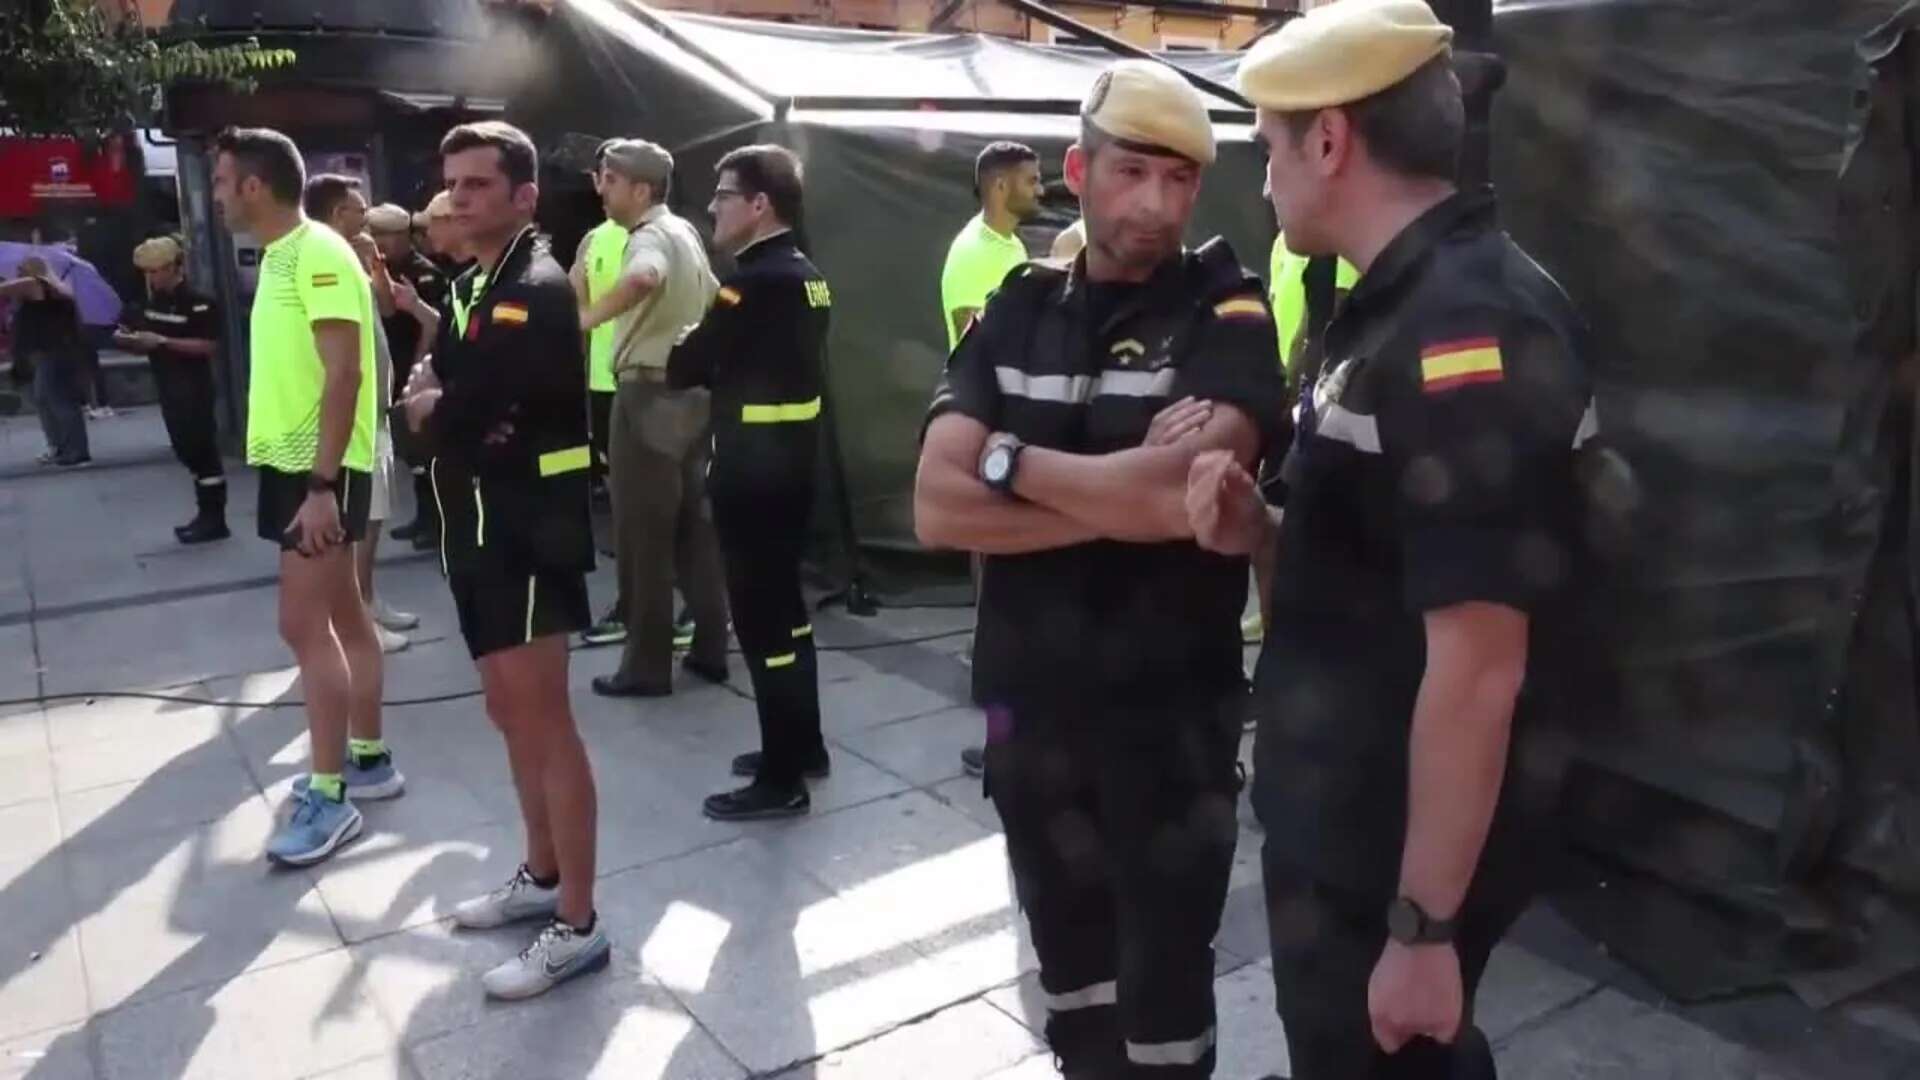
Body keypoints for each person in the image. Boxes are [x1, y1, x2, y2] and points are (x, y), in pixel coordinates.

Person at [1197, 3, 1593, 1076]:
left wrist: (1421, 931)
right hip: (1348, 803)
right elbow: (1385, 562)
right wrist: (1265, 531)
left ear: (1328, 141)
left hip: (1383, 845)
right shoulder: (1394, 304)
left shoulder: (1467, 329)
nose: (1263, 173)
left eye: (1269, 144)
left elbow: (1478, 666)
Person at [914, 60, 1285, 1077]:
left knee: (1165, 1005)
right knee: (1071, 990)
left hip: (1169, 733)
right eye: (1131, 174)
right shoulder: (1019, 302)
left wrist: (1008, 463)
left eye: (1179, 181)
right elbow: (937, 508)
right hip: (1028, 719)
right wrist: (1127, 494)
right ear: (1077, 170)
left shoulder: (1227, 305)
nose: (1156, 206)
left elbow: (1186, 496)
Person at [401, 120, 607, 999]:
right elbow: (437, 385)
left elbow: (457, 406)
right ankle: (541, 872)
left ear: (524, 195)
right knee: (505, 708)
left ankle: (580, 924)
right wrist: (437, 405)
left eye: (477, 184)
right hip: (476, 520)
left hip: (525, 526)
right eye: (451, 184)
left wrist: (436, 410)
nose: (457, 198)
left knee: (543, 716)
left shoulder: (532, 287)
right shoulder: (473, 282)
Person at [212, 127, 399, 866]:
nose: (219, 193)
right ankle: (370, 759)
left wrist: (322, 485)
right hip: (304, 466)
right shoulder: (290, 253)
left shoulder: (316, 253)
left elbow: (346, 373)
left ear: (254, 185)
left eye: (223, 181)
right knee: (345, 612)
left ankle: (331, 796)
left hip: (316, 472)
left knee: (302, 626)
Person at [666, 144, 831, 821]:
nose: (712, 206)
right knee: (789, 619)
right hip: (789, 470)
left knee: (763, 625)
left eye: (724, 194)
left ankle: (782, 777)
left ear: (760, 205)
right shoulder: (808, 275)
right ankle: (803, 745)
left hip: (750, 476)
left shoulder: (749, 284)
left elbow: (685, 365)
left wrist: (688, 341)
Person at [576, 138, 731, 699]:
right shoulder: (687, 231)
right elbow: (716, 296)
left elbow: (643, 278)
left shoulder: (648, 238)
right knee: (694, 531)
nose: (601, 188)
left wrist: (588, 318)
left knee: (642, 538)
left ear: (641, 189)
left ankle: (645, 666)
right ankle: (712, 649)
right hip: (691, 396)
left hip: (646, 396)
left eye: (610, 180)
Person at [941, 142, 1043, 780]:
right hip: (990, 435)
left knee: (1015, 596)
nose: (1041, 189)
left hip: (1013, 431)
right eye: (1032, 181)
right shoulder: (976, 252)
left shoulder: (1012, 249)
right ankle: (1003, 734)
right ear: (1000, 187)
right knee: (1000, 597)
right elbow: (978, 335)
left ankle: (1014, 730)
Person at [305, 175, 414, 653]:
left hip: (377, 410)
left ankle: (368, 598)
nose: (365, 215)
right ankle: (355, 619)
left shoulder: (356, 259)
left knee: (376, 516)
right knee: (360, 519)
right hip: (354, 414)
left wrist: (375, 264)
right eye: (357, 208)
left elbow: (388, 309)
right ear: (335, 215)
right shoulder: (322, 263)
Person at [114, 236, 228, 541]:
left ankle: (215, 519)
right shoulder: (153, 302)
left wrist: (163, 342)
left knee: (203, 452)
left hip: (193, 388)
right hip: (167, 386)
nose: (151, 278)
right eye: (146, 273)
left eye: (156, 271)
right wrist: (131, 341)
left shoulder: (199, 301)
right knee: (185, 451)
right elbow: (142, 335)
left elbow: (208, 346)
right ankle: (204, 513)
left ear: (175, 267)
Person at [571, 142, 636, 647]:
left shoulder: (658, 235)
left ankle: (650, 607)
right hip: (602, 387)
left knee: (655, 505)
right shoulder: (593, 239)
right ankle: (640, 602)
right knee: (623, 503)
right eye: (602, 176)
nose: (604, 185)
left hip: (644, 386)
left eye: (614, 177)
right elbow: (573, 302)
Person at [368, 202, 446, 556]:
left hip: (416, 367)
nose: (381, 242)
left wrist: (416, 370)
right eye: (376, 234)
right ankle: (423, 518)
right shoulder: (378, 267)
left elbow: (432, 327)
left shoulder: (422, 272)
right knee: (412, 455)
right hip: (392, 364)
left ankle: (436, 522)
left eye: (387, 234)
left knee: (427, 451)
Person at [5, 257, 91, 467]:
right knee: (45, 398)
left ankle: (76, 451)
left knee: (58, 399)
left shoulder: (34, 284)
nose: (16, 272)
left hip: (55, 351)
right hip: (49, 351)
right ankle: (61, 446)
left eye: (20, 268)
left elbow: (5, 288)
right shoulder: (55, 290)